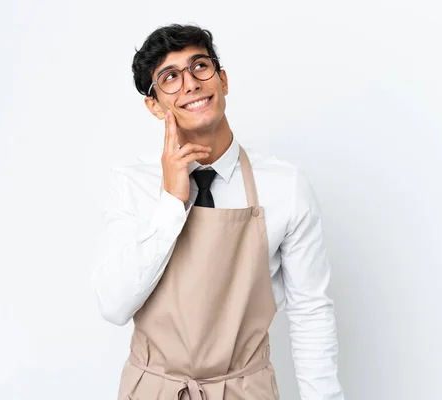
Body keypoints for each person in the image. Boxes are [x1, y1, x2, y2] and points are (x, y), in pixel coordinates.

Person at [91, 23, 344, 400]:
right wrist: (172, 201)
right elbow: (113, 305)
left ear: (222, 80)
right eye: (170, 77)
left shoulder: (284, 187)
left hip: (247, 390)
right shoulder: (134, 185)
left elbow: (310, 314)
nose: (190, 83)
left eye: (200, 67)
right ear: (154, 105)